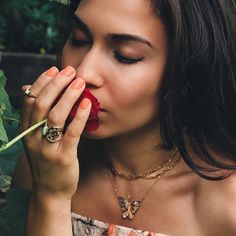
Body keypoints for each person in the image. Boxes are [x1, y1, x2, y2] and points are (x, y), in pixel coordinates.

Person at [11, 0, 236, 235]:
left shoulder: (227, 202)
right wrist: (50, 195)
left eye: (126, 56)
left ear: (189, 68)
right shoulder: (45, 163)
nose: (85, 72)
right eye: (79, 39)